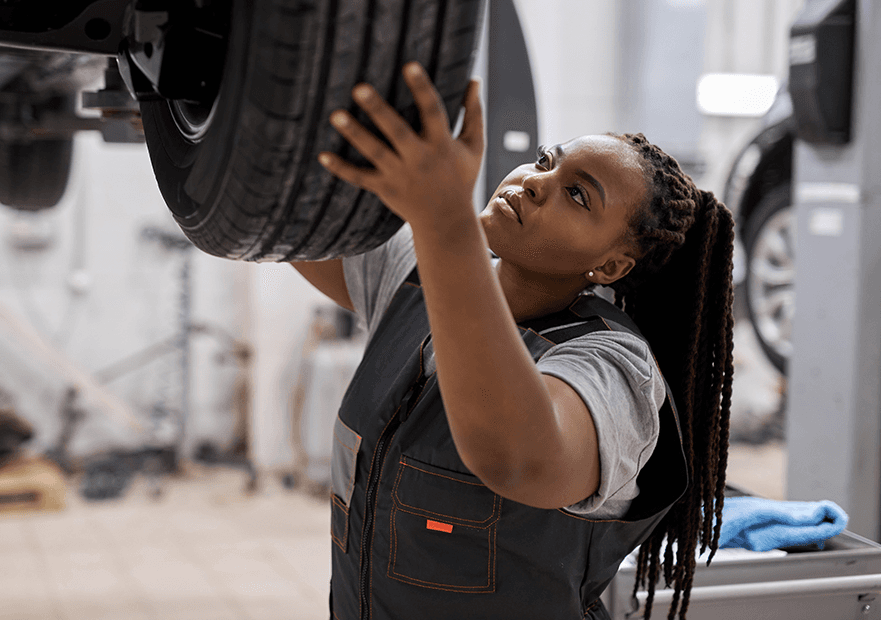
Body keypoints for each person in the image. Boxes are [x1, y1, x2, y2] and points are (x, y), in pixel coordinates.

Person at [294, 62, 734, 620]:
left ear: (612, 263)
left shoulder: (614, 369)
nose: (535, 181)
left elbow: (518, 460)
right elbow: (273, 218)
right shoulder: (416, 277)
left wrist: (445, 221)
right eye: (547, 160)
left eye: (577, 195)